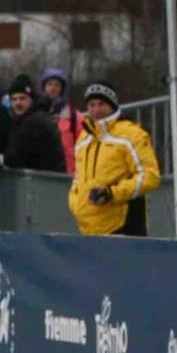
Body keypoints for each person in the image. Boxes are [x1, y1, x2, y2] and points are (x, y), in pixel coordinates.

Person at [67, 82, 160, 237]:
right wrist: (75, 202)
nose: (96, 110)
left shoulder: (132, 134)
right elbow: (78, 178)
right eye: (91, 104)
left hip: (122, 227)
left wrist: (112, 194)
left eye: (101, 104)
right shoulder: (84, 138)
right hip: (87, 228)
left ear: (112, 105)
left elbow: (150, 177)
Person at [2, 77, 68, 173]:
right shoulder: (22, 120)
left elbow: (18, 157)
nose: (18, 103)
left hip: (43, 182)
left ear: (31, 100)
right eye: (14, 99)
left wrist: (2, 159)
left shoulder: (35, 122)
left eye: (22, 98)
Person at [39, 69, 86, 173]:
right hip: (41, 171)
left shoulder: (73, 115)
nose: (53, 88)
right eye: (49, 84)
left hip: (67, 172)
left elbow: (84, 145)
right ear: (43, 87)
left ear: (62, 89)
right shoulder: (37, 113)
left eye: (57, 85)